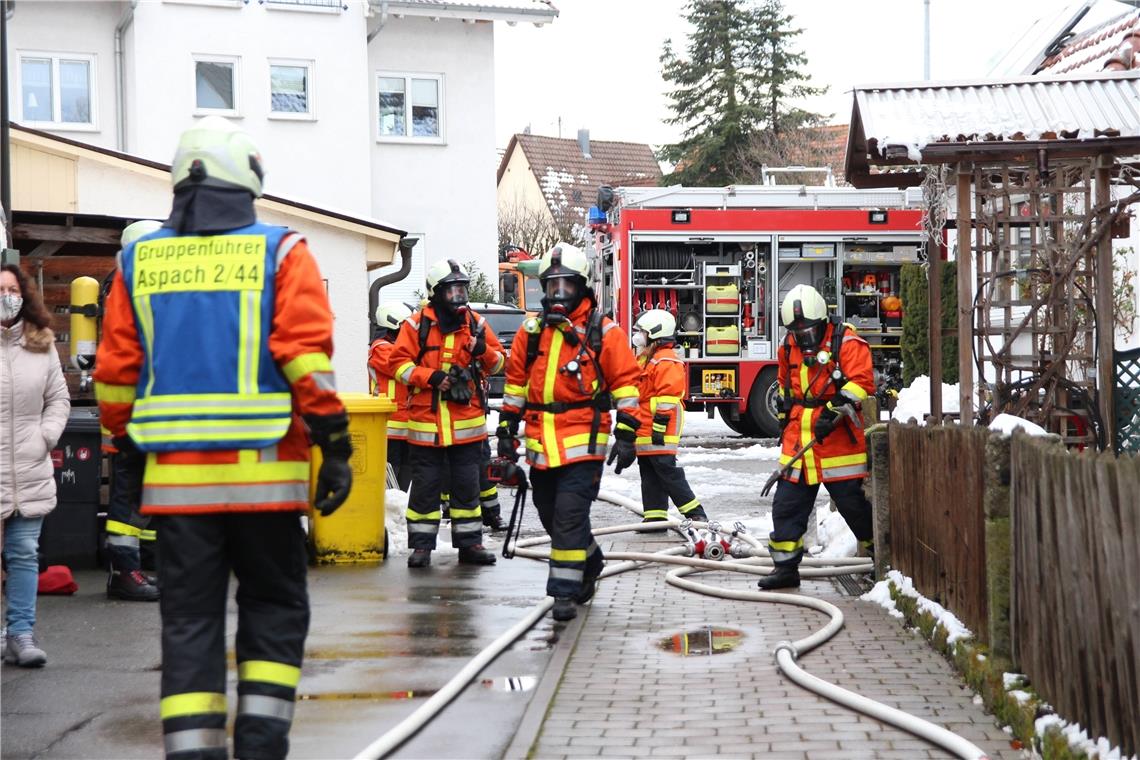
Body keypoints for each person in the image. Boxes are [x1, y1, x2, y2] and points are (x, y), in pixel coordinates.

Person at [94, 116, 353, 760]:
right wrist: (335, 444)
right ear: (249, 183)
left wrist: (127, 439)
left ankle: (193, 752)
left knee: (188, 625)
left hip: (178, 496)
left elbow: (116, 374)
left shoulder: (138, 261)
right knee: (272, 611)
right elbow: (305, 359)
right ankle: (261, 745)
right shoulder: (281, 252)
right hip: (268, 486)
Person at [498, 242, 641, 622]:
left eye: (566, 286)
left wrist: (627, 434)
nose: (558, 294)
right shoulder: (531, 334)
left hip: (584, 442)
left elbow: (627, 383)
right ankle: (590, 558)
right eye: (551, 286)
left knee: (567, 517)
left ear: (582, 287)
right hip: (541, 445)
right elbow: (515, 385)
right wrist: (505, 429)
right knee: (549, 514)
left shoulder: (603, 332)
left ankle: (563, 591)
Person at [758, 284, 875, 590]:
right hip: (799, 439)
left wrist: (834, 411)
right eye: (798, 334)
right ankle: (785, 569)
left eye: (809, 333)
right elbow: (784, 385)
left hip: (838, 443)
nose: (804, 340)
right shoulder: (788, 346)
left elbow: (862, 382)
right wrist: (785, 421)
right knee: (786, 506)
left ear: (823, 321)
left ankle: (881, 558)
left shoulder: (847, 341)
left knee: (855, 508)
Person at [389, 259, 504, 568]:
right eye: (451, 290)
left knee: (467, 488)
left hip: (467, 425)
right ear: (436, 293)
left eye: (461, 289)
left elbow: (500, 364)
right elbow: (397, 365)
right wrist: (432, 378)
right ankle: (422, 547)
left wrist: (484, 352)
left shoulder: (477, 324)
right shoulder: (416, 325)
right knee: (425, 489)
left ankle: (470, 546)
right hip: (427, 424)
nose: (458, 297)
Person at [0, 264, 70, 667]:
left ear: (24, 296)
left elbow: (59, 398)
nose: (7, 295)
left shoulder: (41, 344)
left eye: (12, 289)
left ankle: (21, 635)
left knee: (24, 553)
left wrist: (47, 434)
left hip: (30, 465)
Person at [102, 219, 164, 602]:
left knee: (145, 490)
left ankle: (143, 562)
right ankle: (125, 572)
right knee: (128, 492)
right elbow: (122, 360)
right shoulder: (126, 290)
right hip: (132, 413)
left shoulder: (127, 286)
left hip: (139, 411)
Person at [630, 309, 708, 527]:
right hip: (646, 427)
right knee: (649, 471)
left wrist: (659, 426)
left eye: (642, 332)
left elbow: (668, 396)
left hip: (660, 426)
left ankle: (695, 514)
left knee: (667, 471)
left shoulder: (666, 360)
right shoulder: (646, 358)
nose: (638, 336)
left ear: (656, 334)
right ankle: (655, 517)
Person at [369, 301, 413, 491]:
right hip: (391, 422)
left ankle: (399, 507)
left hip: (408, 420)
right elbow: (403, 368)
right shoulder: (380, 348)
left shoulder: (399, 347)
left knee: (407, 468)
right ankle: (388, 508)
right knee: (392, 469)